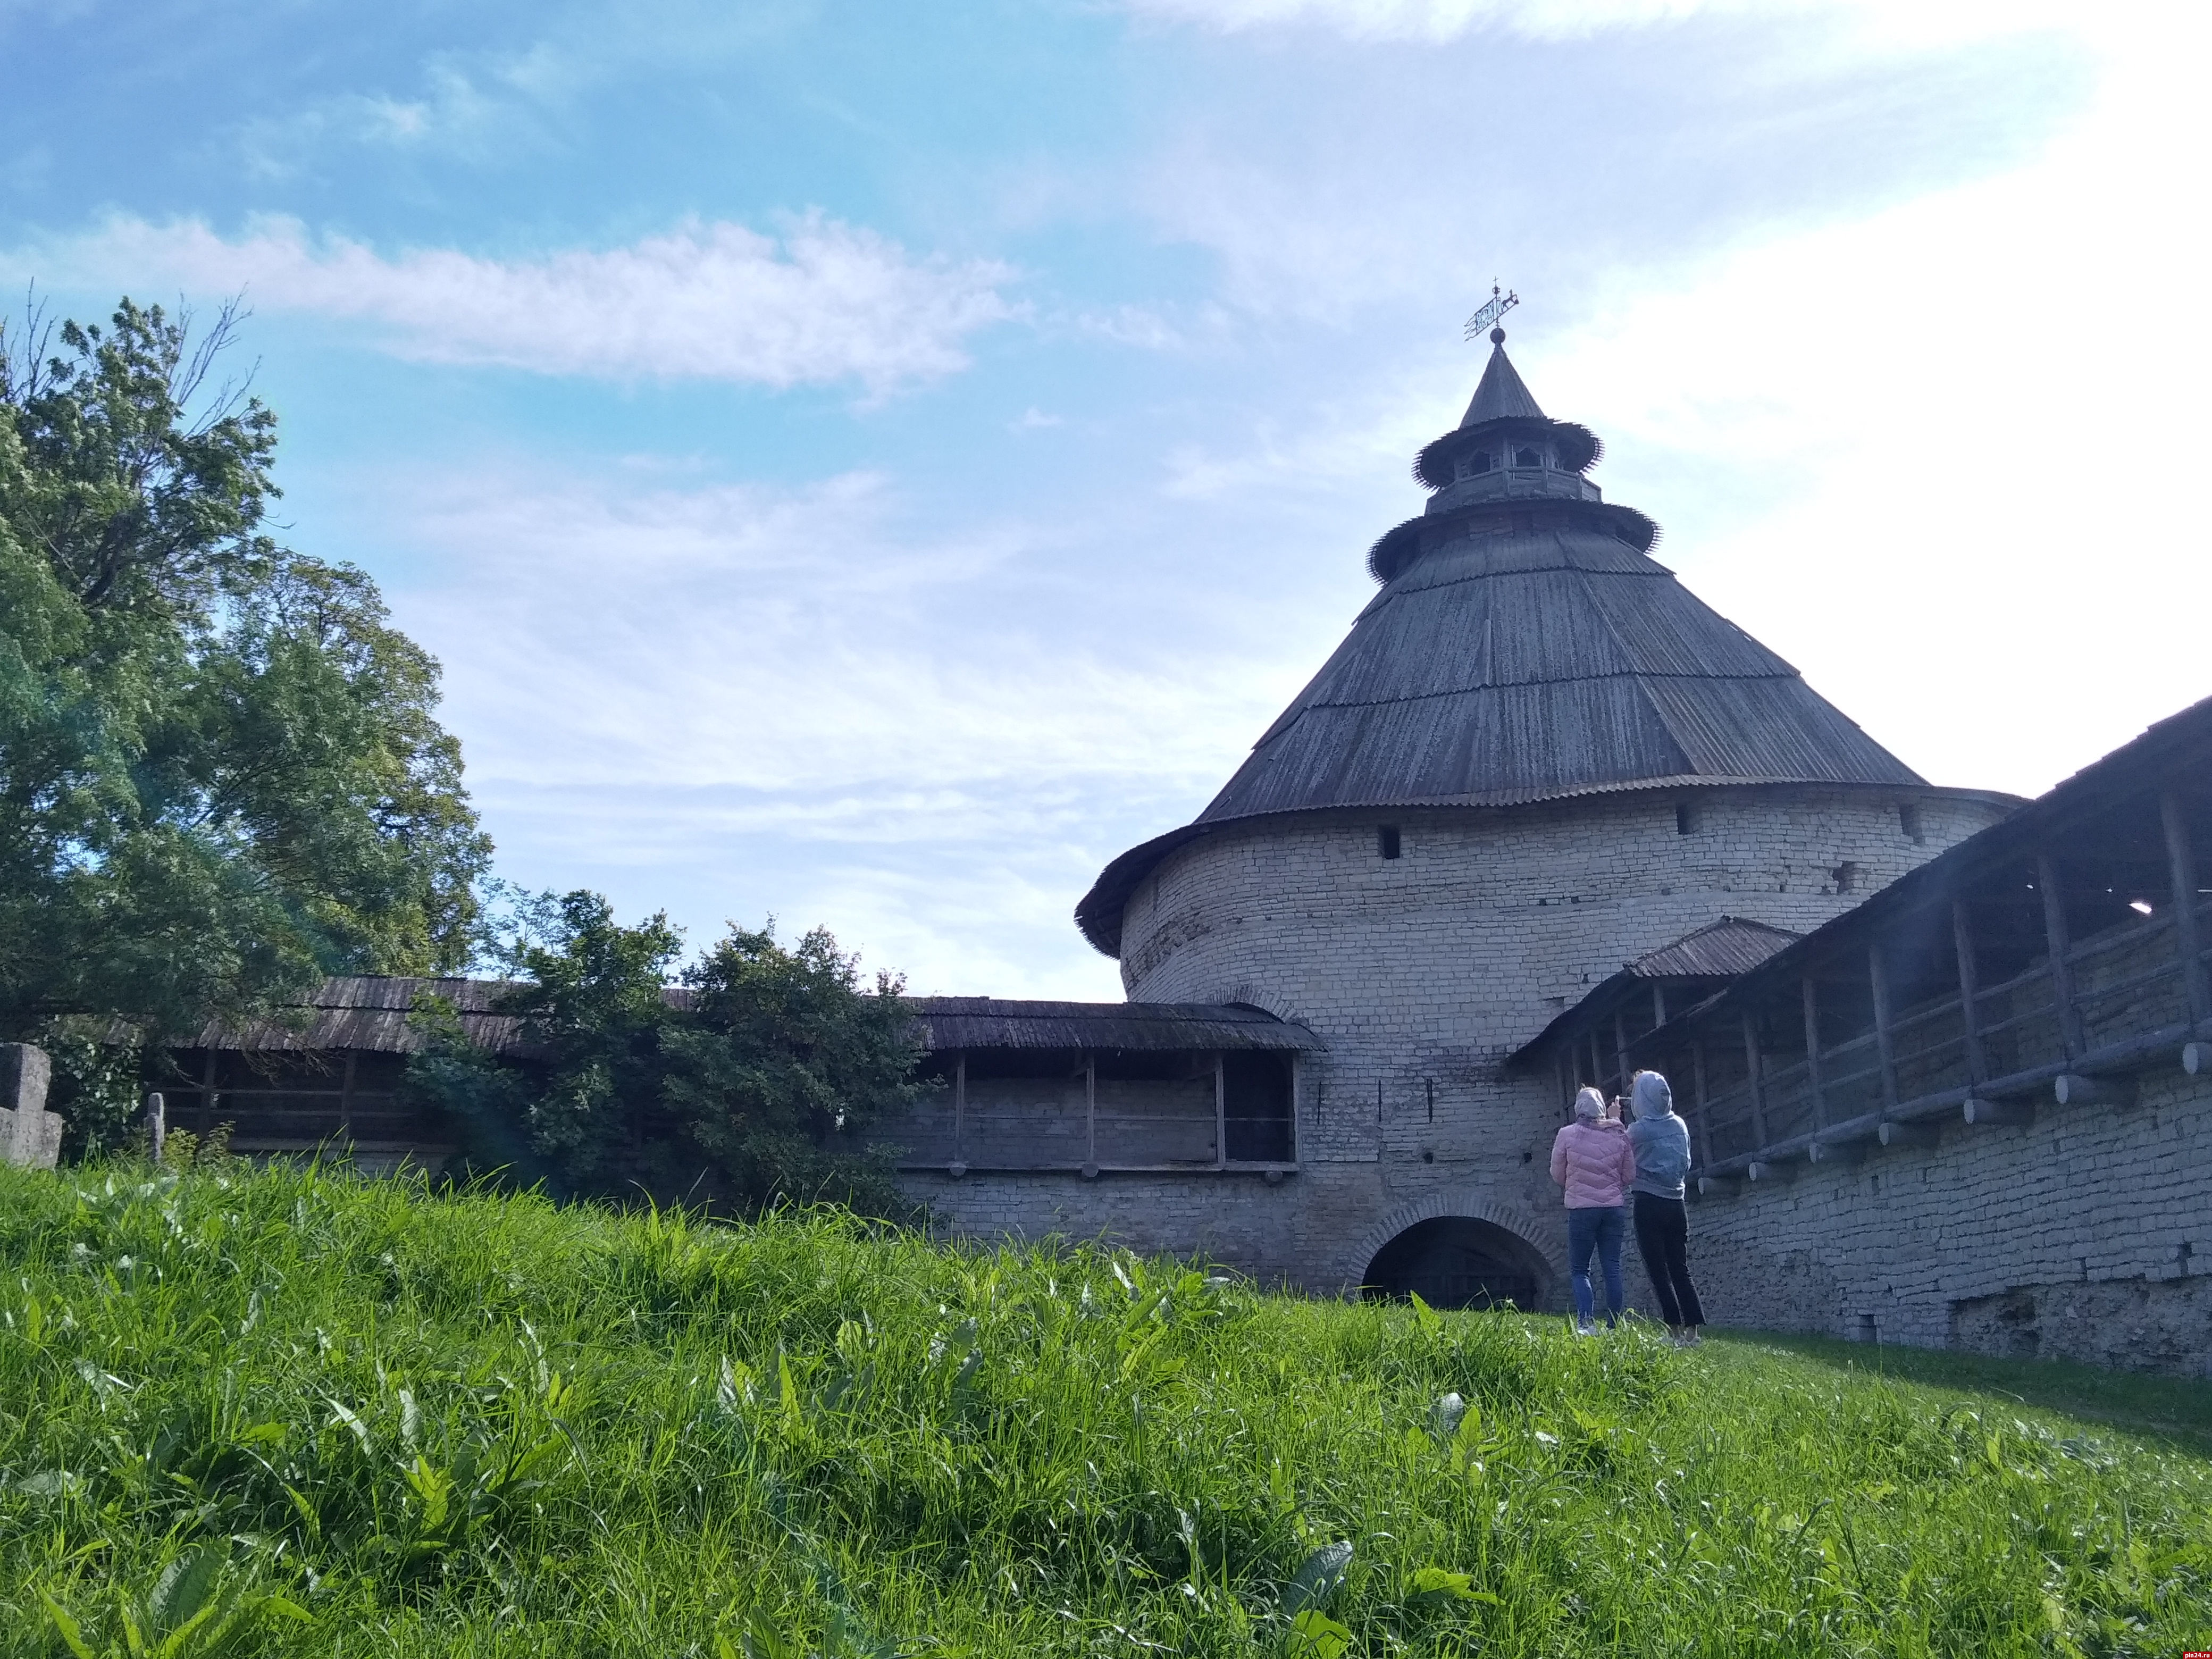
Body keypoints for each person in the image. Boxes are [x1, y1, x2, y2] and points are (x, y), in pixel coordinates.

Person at [1625, 1069, 1706, 1346]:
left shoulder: (1638, 1130)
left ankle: (1673, 1332)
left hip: (1648, 1203)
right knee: (1680, 1269)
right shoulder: (1681, 1125)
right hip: (1677, 1203)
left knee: (1658, 1272)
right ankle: (1693, 1332)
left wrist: (1613, 1120)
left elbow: (1621, 1155)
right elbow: (1686, 1163)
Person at [1549, 1086, 1636, 1335]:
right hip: (1613, 1209)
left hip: (1582, 1209)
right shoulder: (1619, 1134)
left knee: (1580, 1270)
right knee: (1613, 1267)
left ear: (1579, 1109)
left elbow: (1557, 1174)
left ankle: (1586, 1322)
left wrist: (1576, 1184)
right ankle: (1615, 1325)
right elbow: (1630, 1175)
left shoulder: (1566, 1135)